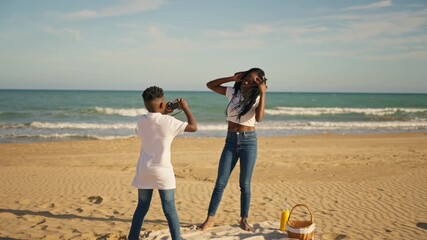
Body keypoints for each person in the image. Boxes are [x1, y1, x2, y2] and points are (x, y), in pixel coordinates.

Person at [199, 68, 267, 232]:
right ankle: (210, 219)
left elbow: (259, 118)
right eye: (246, 78)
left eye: (251, 81)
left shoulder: (257, 97)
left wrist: (262, 93)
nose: (246, 82)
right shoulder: (233, 92)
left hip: (248, 142)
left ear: (258, 83)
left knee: (245, 184)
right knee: (220, 182)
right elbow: (210, 85)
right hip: (230, 141)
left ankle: (243, 219)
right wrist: (232, 77)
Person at [128, 86, 197, 240]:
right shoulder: (169, 121)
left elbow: (154, 120)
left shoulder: (141, 121)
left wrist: (162, 111)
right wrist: (185, 108)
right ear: (162, 104)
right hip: (163, 172)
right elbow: (193, 127)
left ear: (145, 105)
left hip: (144, 170)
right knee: (169, 209)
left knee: (141, 208)